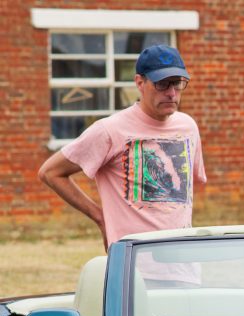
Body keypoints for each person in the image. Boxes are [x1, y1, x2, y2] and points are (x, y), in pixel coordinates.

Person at [38, 44, 205, 285]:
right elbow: (50, 172)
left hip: (186, 271)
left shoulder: (188, 127)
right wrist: (100, 217)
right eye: (162, 84)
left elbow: (181, 199)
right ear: (139, 82)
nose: (171, 93)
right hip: (134, 272)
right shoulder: (110, 130)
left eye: (177, 83)